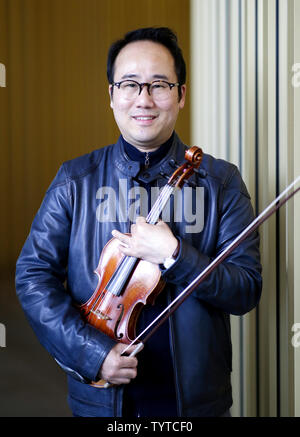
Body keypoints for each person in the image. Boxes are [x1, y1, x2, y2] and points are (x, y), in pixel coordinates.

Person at [15, 27, 262, 417]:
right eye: (130, 84)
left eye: (159, 85)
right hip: (102, 400)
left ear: (181, 95)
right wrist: (94, 354)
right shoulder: (75, 180)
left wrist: (177, 255)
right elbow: (33, 276)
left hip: (196, 404)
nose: (144, 99)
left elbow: (245, 290)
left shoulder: (221, 183)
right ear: (111, 95)